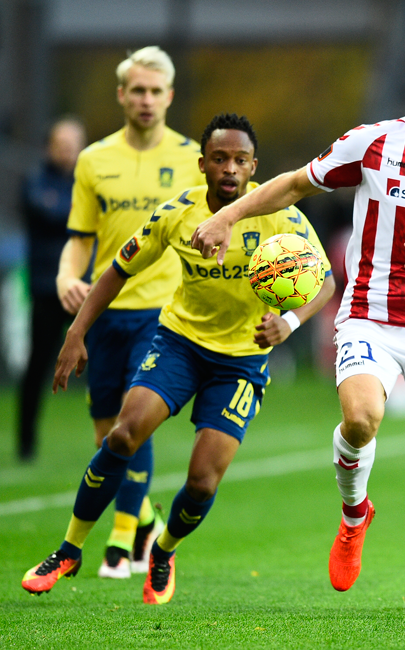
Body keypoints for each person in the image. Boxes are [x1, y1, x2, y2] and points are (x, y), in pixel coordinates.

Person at [191, 33, 405, 611]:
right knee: (361, 418)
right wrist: (229, 216)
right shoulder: (374, 142)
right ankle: (355, 511)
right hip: (370, 317)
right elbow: (295, 183)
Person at [21, 113, 335, 604]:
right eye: (220, 158)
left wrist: (289, 323)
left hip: (242, 361)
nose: (230, 168)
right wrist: (76, 331)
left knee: (203, 481)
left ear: (254, 167)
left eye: (240, 160)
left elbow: (326, 282)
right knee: (123, 434)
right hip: (180, 343)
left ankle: (163, 549)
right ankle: (69, 549)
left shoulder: (279, 214)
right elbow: (117, 269)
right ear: (202, 164)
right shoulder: (178, 213)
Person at [57, 46, 206, 580]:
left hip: (163, 312)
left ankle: (120, 544)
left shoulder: (195, 158)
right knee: (107, 438)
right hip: (106, 311)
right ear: (122, 95)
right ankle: (144, 521)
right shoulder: (93, 160)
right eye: (137, 90)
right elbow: (81, 236)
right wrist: (66, 276)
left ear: (169, 96)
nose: (146, 99)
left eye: (155, 91)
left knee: (132, 421)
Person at [17, 117, 86, 462]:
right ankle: (26, 441)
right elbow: (52, 213)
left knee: (107, 358)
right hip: (48, 288)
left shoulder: (86, 182)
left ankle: (114, 434)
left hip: (84, 289)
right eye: (61, 144)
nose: (67, 151)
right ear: (49, 147)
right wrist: (82, 213)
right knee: (38, 365)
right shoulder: (35, 180)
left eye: (73, 145)